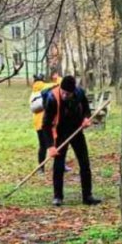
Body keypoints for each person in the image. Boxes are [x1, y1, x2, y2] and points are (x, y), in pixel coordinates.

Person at [42, 74, 102, 206]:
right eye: (63, 92)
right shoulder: (52, 98)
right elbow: (45, 125)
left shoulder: (79, 93)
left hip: (76, 130)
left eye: (68, 94)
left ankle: (87, 196)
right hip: (60, 132)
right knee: (59, 164)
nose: (64, 95)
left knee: (84, 163)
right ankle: (58, 197)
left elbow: (86, 108)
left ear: (73, 91)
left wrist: (86, 118)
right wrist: (50, 146)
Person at [30, 69, 61, 172]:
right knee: (56, 144)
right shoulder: (46, 87)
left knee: (42, 146)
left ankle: (41, 168)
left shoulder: (33, 92)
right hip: (48, 122)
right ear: (43, 80)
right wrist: (57, 78)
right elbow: (60, 85)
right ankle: (60, 165)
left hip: (38, 123)